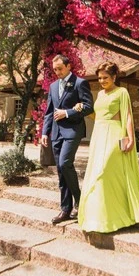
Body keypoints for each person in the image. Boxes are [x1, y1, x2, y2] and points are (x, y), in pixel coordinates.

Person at [74, 61, 139, 233]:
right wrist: (84, 109)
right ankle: (100, 219)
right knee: (98, 173)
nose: (102, 81)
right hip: (98, 135)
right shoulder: (101, 94)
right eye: (100, 78)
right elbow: (98, 117)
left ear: (114, 77)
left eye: (105, 77)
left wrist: (131, 139)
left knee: (105, 171)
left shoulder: (122, 92)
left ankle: (119, 215)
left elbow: (128, 116)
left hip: (114, 134)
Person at [41, 54, 94, 225]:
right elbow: (49, 111)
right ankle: (66, 209)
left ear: (69, 66)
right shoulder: (53, 86)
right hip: (56, 133)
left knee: (65, 163)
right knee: (61, 172)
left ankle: (80, 201)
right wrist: (44, 133)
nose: (57, 72)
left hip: (73, 130)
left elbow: (88, 106)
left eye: (60, 69)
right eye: (55, 69)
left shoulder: (80, 83)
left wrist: (68, 112)